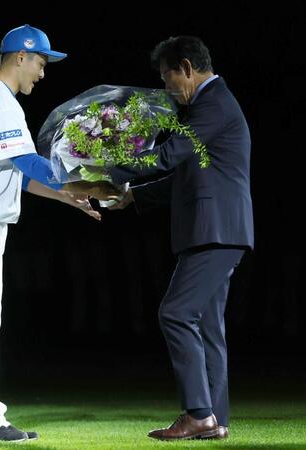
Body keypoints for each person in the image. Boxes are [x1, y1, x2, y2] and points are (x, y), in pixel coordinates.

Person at [0, 24, 118, 443]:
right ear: (20, 57)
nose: (42, 72)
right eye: (40, 62)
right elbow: (31, 164)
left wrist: (67, 197)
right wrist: (86, 183)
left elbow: (18, 172)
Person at [108, 36, 253, 440]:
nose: (166, 86)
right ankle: (214, 420)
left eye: (167, 76)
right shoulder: (211, 106)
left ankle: (198, 413)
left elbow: (168, 155)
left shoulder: (214, 103)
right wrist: (133, 195)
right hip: (218, 230)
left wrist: (109, 165)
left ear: (187, 68)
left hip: (216, 230)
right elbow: (185, 176)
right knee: (207, 326)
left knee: (175, 313)